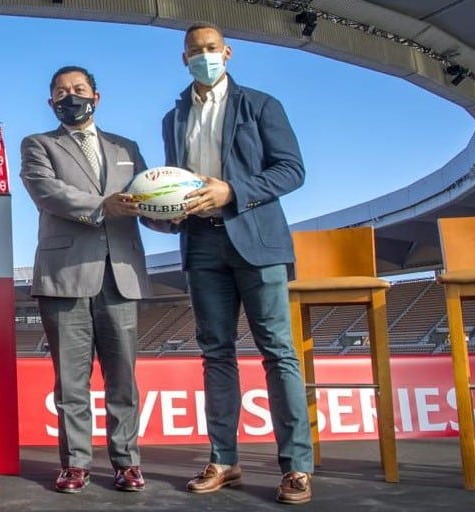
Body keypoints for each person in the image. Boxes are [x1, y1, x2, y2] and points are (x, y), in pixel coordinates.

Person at [148, 21, 314, 504]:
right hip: (201, 243)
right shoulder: (172, 117)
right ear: (184, 59)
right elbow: (175, 182)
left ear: (228, 52)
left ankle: (296, 467)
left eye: (211, 48)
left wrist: (233, 191)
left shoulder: (261, 104)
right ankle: (224, 459)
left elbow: (292, 170)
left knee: (278, 352)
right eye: (195, 50)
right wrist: (164, 211)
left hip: (256, 242)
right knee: (215, 353)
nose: (204, 55)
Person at [20, 65, 150, 494]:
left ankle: (126, 462)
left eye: (78, 89)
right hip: (65, 276)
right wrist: (103, 205)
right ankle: (75, 463)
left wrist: (175, 211)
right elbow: (48, 193)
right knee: (71, 383)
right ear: (50, 102)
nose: (70, 96)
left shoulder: (126, 147)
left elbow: (148, 196)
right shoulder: (38, 145)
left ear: (97, 96)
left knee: (123, 380)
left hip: (121, 275)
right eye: (61, 91)